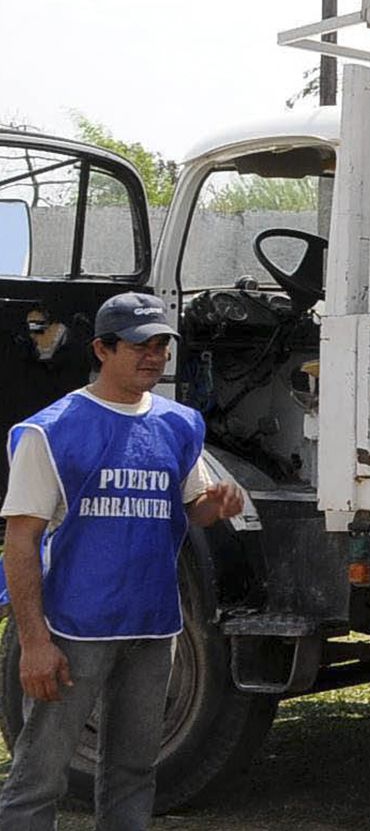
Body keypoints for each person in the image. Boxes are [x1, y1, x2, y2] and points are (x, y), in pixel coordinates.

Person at [0, 292, 247, 830]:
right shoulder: (52, 430)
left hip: (154, 629)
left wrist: (217, 504)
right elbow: (20, 542)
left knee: (135, 771)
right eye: (139, 345)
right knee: (39, 777)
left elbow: (192, 508)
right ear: (102, 349)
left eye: (161, 344)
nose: (153, 356)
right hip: (74, 631)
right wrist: (35, 644)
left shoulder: (179, 424)